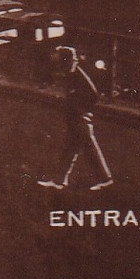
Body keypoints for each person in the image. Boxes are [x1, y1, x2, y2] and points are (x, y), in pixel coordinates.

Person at [38, 46, 114, 191]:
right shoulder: (71, 74)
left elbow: (93, 94)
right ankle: (59, 181)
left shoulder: (79, 75)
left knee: (89, 149)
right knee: (70, 149)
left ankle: (105, 180)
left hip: (80, 119)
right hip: (75, 118)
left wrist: (82, 110)